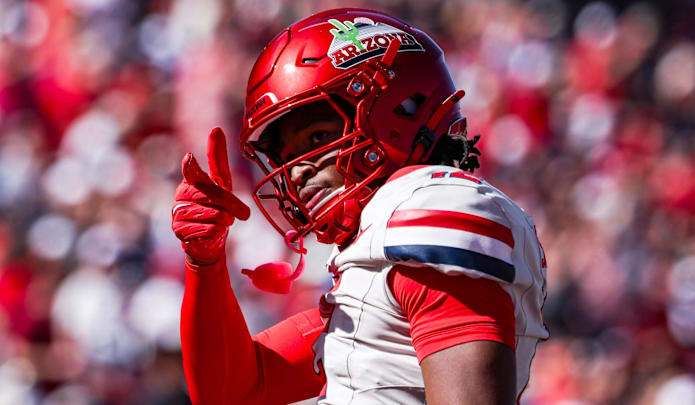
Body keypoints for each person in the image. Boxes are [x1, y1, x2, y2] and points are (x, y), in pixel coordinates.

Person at [172, 8, 548, 405]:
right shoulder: (377, 254)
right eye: (286, 159)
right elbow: (230, 391)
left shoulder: (430, 205)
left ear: (400, 109)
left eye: (316, 137)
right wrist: (205, 263)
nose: (296, 172)